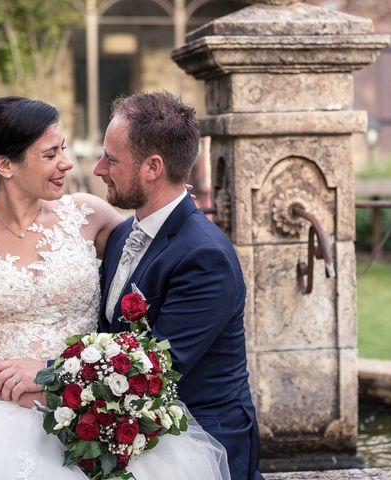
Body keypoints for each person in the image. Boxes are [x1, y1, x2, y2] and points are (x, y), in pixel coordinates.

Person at [0, 96, 230, 480]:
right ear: (5, 165)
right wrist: (33, 394)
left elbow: (154, 239)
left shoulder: (87, 213)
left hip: (95, 397)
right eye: (50, 154)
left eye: (63, 148)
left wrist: (177, 195)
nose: (67, 163)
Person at [94, 92, 264, 480]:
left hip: (202, 439)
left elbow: (156, 369)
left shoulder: (205, 256)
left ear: (152, 167)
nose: (99, 168)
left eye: (112, 159)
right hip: (131, 427)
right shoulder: (122, 234)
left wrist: (49, 375)